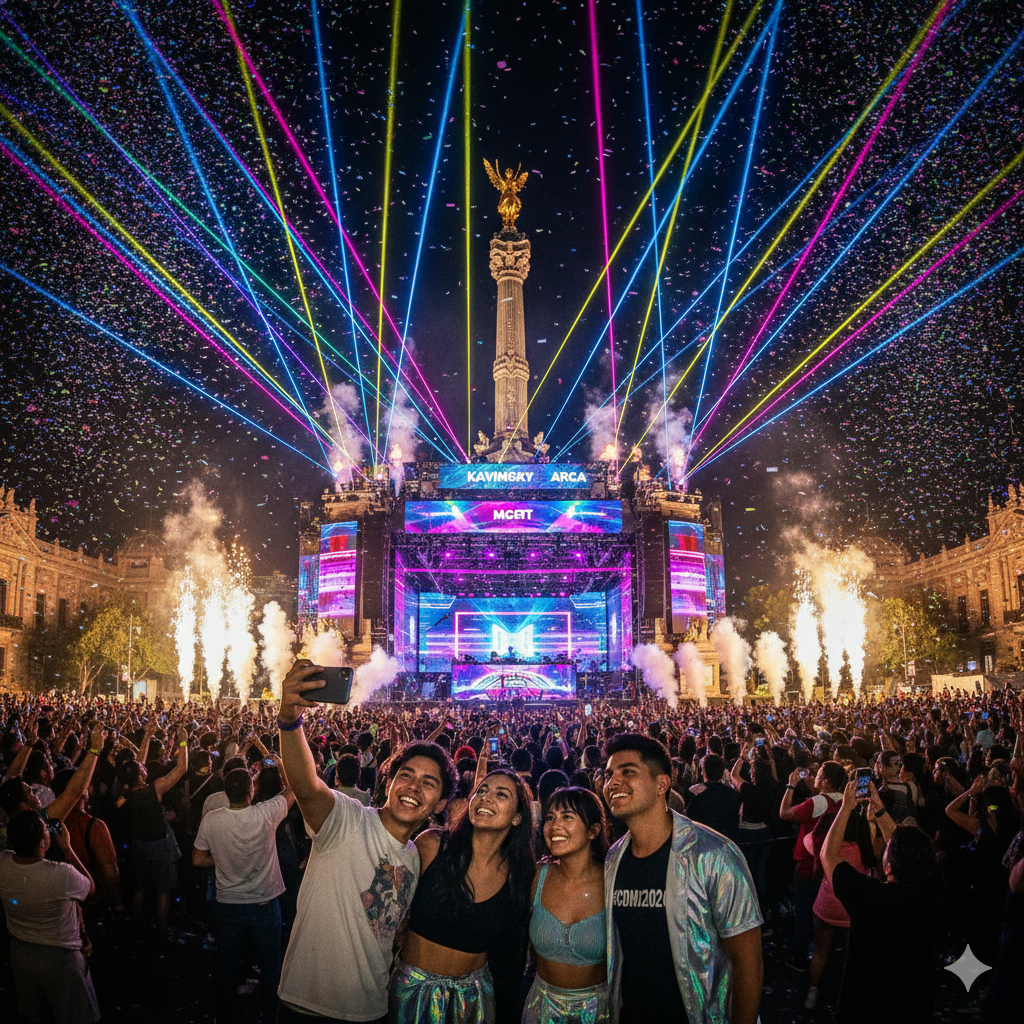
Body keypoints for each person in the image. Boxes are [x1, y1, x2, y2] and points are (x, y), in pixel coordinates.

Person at [276, 660, 456, 1023]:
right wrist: (290, 721)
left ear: (439, 804)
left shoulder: (416, 856)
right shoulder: (348, 818)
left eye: (428, 783)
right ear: (388, 781)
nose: (413, 787)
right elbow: (306, 785)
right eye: (406, 775)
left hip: (372, 1009)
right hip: (307, 1008)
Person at [602, 734, 762, 1024]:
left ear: (661, 784)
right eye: (608, 774)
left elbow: (747, 961)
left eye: (628, 772)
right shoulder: (614, 858)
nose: (613, 782)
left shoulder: (713, 855)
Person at [391, 767, 535, 1024]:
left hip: (473, 1001)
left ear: (517, 818)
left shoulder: (519, 876)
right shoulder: (432, 846)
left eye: (501, 794)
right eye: (482, 790)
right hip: (411, 992)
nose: (486, 798)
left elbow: (512, 955)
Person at [821, 780, 942, 1024]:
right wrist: (879, 808)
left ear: (887, 867)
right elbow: (900, 847)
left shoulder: (870, 897)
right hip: (914, 1005)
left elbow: (828, 855)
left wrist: (845, 808)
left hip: (866, 1007)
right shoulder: (934, 888)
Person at [192, 758, 295, 1023]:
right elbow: (292, 789)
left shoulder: (212, 820)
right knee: (270, 966)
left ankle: (225, 1015)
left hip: (228, 906)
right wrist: (280, 765)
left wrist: (221, 858)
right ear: (251, 790)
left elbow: (197, 859)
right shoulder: (265, 813)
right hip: (264, 904)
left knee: (227, 965)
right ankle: (270, 1014)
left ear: (226, 792)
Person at [0, 810, 100, 1023]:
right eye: (46, 828)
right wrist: (67, 848)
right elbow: (90, 888)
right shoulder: (61, 874)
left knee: (35, 1015)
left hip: (21, 954)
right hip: (60, 959)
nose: (49, 830)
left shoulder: (3, 862)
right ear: (43, 843)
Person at [524, 786, 609, 1024]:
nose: (555, 826)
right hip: (542, 1009)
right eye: (550, 818)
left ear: (593, 831)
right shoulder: (536, 877)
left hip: (596, 1013)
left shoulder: (612, 881)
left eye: (567, 817)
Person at [122, 721, 189, 941]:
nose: (145, 767)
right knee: (163, 889)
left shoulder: (126, 794)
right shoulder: (156, 788)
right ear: (141, 776)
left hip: (138, 843)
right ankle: (162, 933)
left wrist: (147, 737)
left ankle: (136, 928)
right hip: (158, 844)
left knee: (140, 887)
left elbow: (137, 764)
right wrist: (183, 742)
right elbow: (181, 769)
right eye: (142, 770)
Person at [778, 760, 847, 970]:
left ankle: (799, 957)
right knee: (824, 915)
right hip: (832, 863)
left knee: (803, 913)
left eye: (818, 776)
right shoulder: (845, 800)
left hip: (809, 865)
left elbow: (784, 813)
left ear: (825, 781)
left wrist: (790, 786)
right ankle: (827, 955)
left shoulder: (817, 802)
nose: (814, 777)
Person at [685, 752, 741, 843]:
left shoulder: (694, 793)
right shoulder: (732, 794)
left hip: (702, 842)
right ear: (722, 773)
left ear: (703, 772)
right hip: (726, 842)